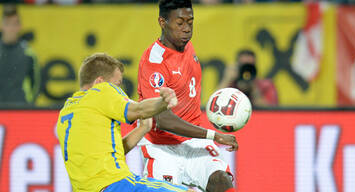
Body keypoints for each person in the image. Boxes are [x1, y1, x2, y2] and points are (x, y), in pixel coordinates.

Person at [137, 0, 238, 192]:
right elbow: (162, 119)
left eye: (190, 22)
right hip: (162, 147)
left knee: (221, 180)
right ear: (162, 22)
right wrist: (213, 135)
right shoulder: (154, 61)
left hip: (193, 142)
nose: (186, 29)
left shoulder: (187, 47)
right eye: (180, 23)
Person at [56, 53, 193, 192]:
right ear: (99, 82)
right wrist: (163, 102)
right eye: (117, 84)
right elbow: (138, 109)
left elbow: (111, 152)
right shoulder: (100, 91)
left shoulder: (66, 112)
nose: (118, 90)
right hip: (116, 185)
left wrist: (143, 129)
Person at [0, 4, 39, 106]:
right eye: (8, 24)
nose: (11, 28)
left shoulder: (28, 53)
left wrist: (28, 106)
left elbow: (37, 84)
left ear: (19, 26)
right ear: (2, 25)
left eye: (14, 24)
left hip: (20, 110)